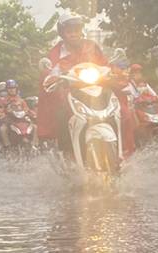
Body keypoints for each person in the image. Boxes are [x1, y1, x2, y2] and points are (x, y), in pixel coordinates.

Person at [38, 13, 107, 153]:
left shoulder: (91, 46)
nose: (74, 34)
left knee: (123, 111)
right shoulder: (56, 52)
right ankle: (68, 155)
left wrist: (114, 72)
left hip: (96, 91)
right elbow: (50, 74)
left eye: (76, 30)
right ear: (62, 33)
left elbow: (105, 64)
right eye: (69, 31)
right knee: (62, 116)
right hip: (70, 96)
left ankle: (124, 152)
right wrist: (53, 78)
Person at [0, 79, 37, 149]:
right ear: (7, 89)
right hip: (9, 120)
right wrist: (2, 114)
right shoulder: (2, 99)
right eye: (10, 88)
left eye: (13, 88)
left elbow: (26, 109)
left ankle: (34, 145)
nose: (12, 90)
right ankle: (7, 147)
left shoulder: (20, 100)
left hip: (21, 120)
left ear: (16, 88)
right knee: (3, 129)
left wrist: (33, 114)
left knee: (34, 127)